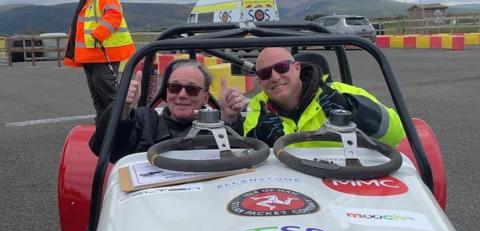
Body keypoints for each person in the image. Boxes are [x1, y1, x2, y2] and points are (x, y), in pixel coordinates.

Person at [222, 47, 405, 147]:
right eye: (265, 73)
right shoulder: (258, 107)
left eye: (282, 67)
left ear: (297, 68)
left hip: (343, 182)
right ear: (260, 82)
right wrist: (260, 140)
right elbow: (248, 157)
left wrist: (354, 110)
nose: (275, 77)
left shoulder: (342, 93)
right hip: (288, 187)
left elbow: (395, 134)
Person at [89, 60, 246, 162]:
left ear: (205, 98)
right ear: (167, 92)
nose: (182, 95)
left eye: (192, 89)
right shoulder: (144, 120)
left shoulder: (216, 127)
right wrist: (122, 109)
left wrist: (230, 118)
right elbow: (103, 149)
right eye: (175, 88)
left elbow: (239, 159)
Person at [64, 0, 135, 123]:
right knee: (97, 93)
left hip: (105, 52)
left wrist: (99, 33)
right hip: (90, 55)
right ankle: (103, 124)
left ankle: (124, 123)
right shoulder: (86, 2)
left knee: (106, 90)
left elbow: (114, 14)